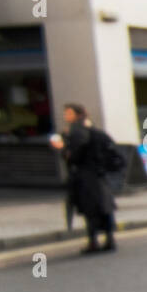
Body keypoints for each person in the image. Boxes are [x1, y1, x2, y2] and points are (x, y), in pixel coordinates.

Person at [50, 103, 117, 254]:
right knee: (104, 207)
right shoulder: (93, 129)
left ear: (77, 114)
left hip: (85, 177)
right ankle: (109, 239)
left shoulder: (76, 131)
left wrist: (61, 147)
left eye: (68, 113)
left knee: (90, 209)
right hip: (99, 175)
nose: (65, 116)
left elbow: (74, 156)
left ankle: (93, 243)